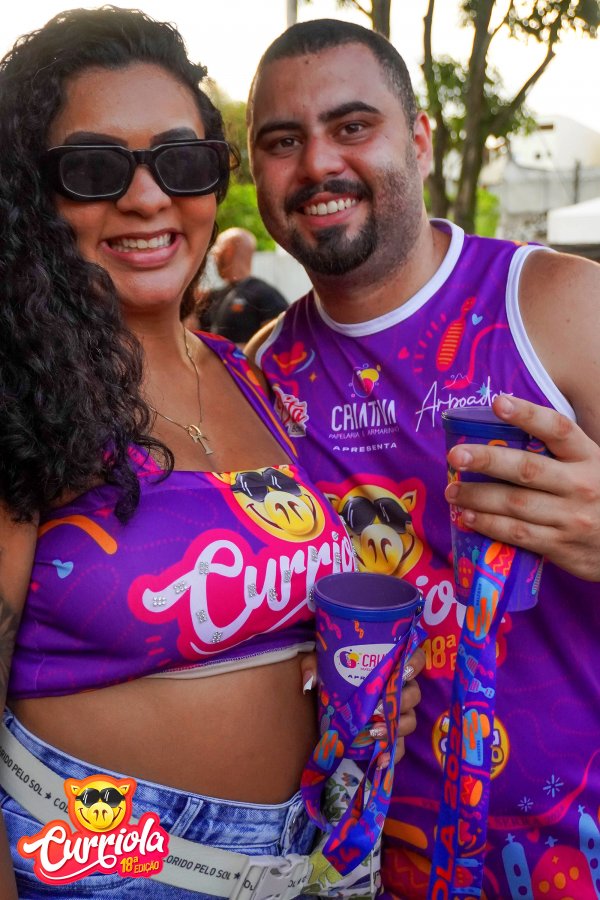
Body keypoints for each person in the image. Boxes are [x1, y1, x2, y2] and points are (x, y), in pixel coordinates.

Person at [0, 9, 423, 899]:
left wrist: (355, 682)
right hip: (108, 867)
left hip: (314, 862)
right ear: (32, 194)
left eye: (180, 162)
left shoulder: (254, 373)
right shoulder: (18, 394)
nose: (147, 199)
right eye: (94, 168)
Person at [245, 18, 600, 900]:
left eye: (352, 125)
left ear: (420, 139)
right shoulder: (258, 375)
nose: (318, 163)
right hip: (359, 870)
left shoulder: (556, 304)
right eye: (283, 141)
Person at [198, 228, 288, 347]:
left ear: (228, 251)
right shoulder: (213, 296)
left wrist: (232, 353)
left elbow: (280, 345)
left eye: (216, 249)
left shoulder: (266, 295)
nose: (214, 257)